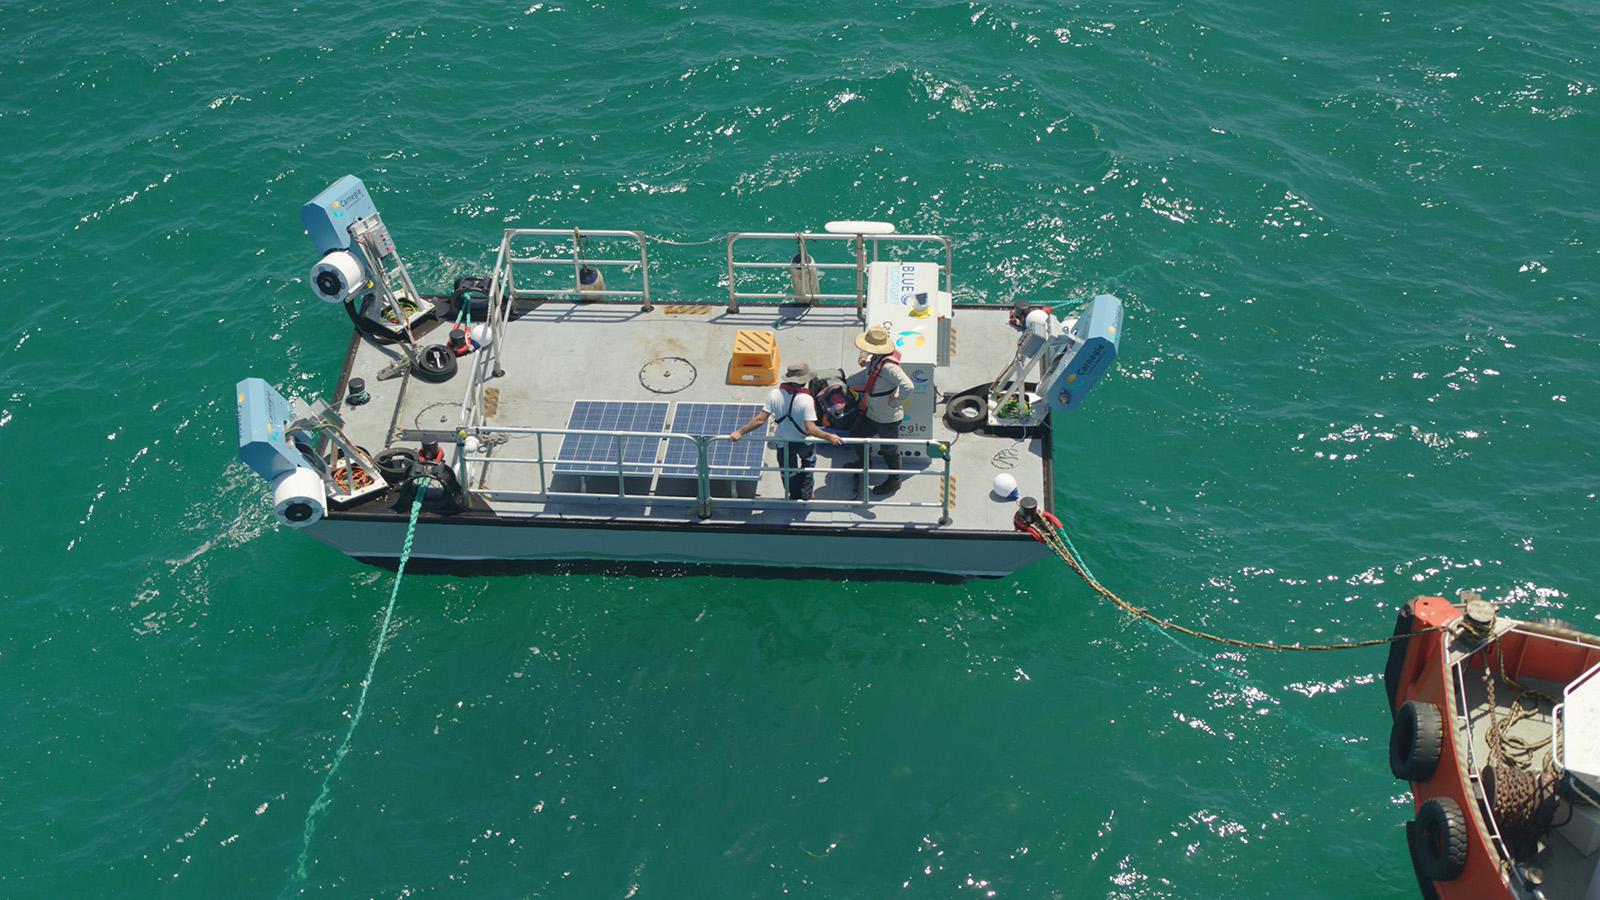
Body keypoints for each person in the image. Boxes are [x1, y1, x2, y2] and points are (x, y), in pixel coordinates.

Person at [728, 362, 843, 500]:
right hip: (803, 443)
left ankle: (794, 495)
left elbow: (760, 420)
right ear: (804, 381)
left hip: (783, 443)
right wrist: (829, 436)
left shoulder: (774, 394)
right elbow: (810, 429)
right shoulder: (806, 399)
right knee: (808, 465)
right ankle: (806, 495)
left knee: (788, 472)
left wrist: (739, 432)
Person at [850, 326, 915, 496]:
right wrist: (863, 356)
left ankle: (894, 481)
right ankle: (864, 463)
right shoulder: (881, 355)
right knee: (856, 435)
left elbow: (908, 385)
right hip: (872, 411)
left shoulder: (888, 367)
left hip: (887, 417)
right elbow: (866, 349)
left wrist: (897, 401)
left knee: (889, 450)